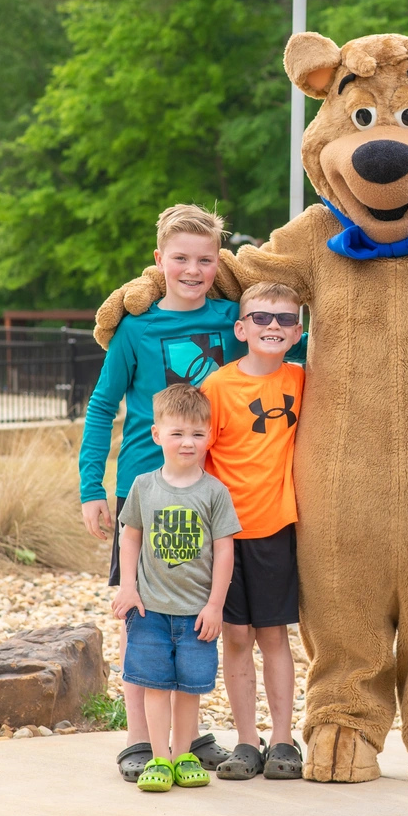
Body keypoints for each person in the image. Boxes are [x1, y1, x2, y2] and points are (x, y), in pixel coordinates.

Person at [79, 204, 243, 782]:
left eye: (204, 259)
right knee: (142, 616)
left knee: (197, 616)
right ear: (159, 262)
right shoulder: (136, 329)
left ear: (217, 263)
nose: (192, 269)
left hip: (215, 490)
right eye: (180, 259)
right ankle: (138, 743)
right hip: (143, 495)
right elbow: (103, 407)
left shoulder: (234, 321)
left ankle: (191, 739)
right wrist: (91, 487)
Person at [199, 281, 307, 781]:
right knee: (236, 637)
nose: (273, 327)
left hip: (275, 527)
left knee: (274, 636)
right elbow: (196, 458)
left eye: (285, 319)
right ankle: (246, 741)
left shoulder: (303, 380)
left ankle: (284, 740)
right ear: (241, 328)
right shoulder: (218, 387)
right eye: (261, 318)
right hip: (226, 534)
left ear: (298, 331)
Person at [113, 383, 242, 792]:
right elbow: (129, 536)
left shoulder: (215, 492)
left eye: (197, 434)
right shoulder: (143, 486)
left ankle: (184, 753)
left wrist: (216, 605)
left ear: (210, 437)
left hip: (196, 613)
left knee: (189, 688)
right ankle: (159, 757)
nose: (188, 442)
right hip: (149, 610)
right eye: (177, 433)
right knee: (154, 685)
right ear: (157, 435)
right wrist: (128, 588)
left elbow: (225, 552)